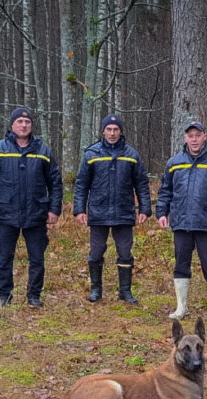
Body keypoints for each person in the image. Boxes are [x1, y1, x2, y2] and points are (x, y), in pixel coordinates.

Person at [0, 107, 63, 307]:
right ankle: (4, 296)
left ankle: (34, 296)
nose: (24, 126)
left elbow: (55, 182)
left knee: (37, 258)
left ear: (31, 126)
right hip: (7, 213)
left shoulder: (43, 150)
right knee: (4, 257)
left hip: (36, 214)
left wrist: (54, 209)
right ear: (12, 125)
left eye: (27, 123)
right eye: (20, 122)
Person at [156, 119, 207, 319]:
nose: (194, 139)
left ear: (204, 136)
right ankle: (181, 308)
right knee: (181, 263)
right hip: (181, 222)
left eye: (198, 135)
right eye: (190, 136)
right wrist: (161, 212)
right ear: (185, 137)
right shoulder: (174, 162)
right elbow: (165, 190)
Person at [73, 114, 152, 304]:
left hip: (124, 211)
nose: (112, 133)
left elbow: (141, 183)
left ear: (121, 131)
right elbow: (82, 184)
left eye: (116, 129)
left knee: (125, 252)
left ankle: (125, 291)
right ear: (103, 131)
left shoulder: (131, 155)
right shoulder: (92, 154)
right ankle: (96, 290)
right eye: (109, 129)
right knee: (96, 252)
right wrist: (79, 209)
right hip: (98, 211)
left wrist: (145, 209)